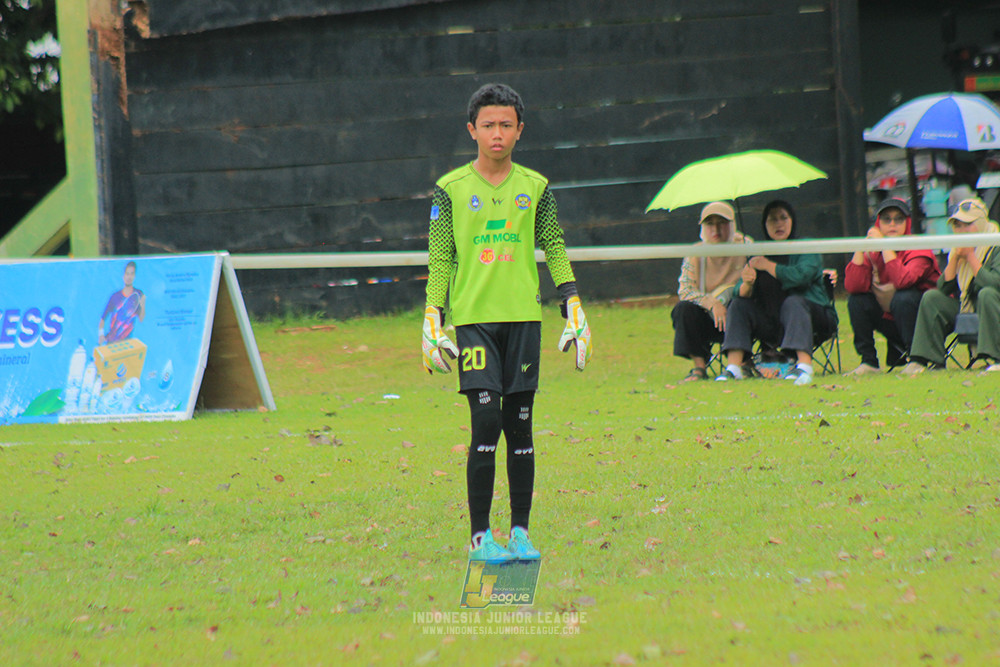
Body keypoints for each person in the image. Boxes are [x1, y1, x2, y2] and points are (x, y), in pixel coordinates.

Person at [421, 83, 592, 563]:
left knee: (520, 424)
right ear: (472, 130)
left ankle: (520, 533)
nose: (497, 134)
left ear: (521, 131)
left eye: (506, 125)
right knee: (486, 420)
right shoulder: (449, 190)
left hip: (523, 321)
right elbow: (441, 259)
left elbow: (553, 245)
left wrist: (572, 302)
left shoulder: (536, 188)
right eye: (489, 125)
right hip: (473, 322)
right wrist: (433, 317)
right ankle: (480, 538)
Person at [715, 199, 837, 385]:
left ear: (792, 220)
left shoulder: (806, 246)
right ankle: (734, 368)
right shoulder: (759, 252)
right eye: (772, 220)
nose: (778, 223)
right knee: (738, 304)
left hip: (814, 318)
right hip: (771, 323)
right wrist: (747, 283)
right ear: (765, 225)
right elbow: (740, 293)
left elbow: (800, 277)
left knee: (794, 302)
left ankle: (804, 367)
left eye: (783, 218)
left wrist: (768, 265)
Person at [902, 198, 1000, 374]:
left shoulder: (995, 244)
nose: (962, 231)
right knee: (932, 298)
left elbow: (994, 283)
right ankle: (926, 360)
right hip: (966, 306)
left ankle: (996, 358)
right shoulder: (958, 248)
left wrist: (971, 258)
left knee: (987, 294)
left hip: (992, 305)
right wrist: (954, 258)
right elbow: (944, 288)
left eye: (967, 225)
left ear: (981, 223)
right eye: (957, 226)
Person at [843, 198, 940, 375]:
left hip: (924, 323)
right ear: (878, 224)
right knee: (857, 300)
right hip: (891, 319)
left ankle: (917, 359)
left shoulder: (919, 249)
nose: (892, 224)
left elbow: (903, 281)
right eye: (886, 219)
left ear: (907, 222)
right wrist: (860, 248)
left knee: (905, 297)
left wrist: (885, 247)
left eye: (899, 219)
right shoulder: (873, 251)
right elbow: (853, 286)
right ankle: (869, 362)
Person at [671, 201, 751, 381]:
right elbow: (685, 290)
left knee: (741, 306)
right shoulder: (695, 253)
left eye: (722, 223)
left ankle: (740, 364)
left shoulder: (747, 246)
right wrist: (712, 304)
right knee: (683, 309)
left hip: (740, 316)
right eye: (710, 224)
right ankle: (699, 368)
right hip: (708, 317)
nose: (716, 229)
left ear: (732, 225)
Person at [98, 260, 145, 345]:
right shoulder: (115, 296)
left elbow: (141, 318)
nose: (129, 277)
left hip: (126, 344)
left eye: (132, 274)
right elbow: (103, 319)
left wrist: (142, 304)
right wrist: (101, 335)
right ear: (123, 276)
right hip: (111, 342)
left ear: (134, 276)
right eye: (127, 274)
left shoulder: (138, 294)